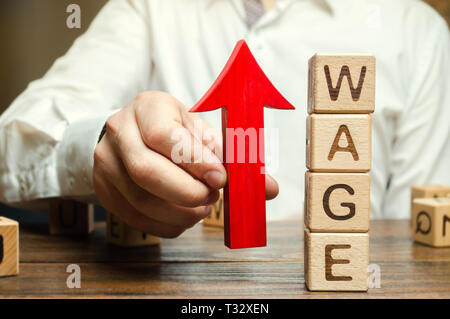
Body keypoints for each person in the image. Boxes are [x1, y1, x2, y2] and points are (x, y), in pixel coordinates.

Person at [0, 0, 449, 238]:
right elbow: (9, 149)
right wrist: (96, 146)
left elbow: (417, 246)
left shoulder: (418, 32)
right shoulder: (149, 8)